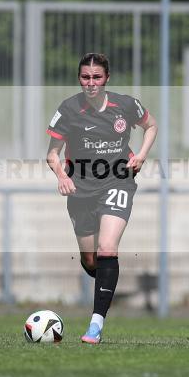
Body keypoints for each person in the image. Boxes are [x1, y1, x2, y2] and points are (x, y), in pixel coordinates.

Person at [46, 53, 157, 345]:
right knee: (91, 260)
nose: (91, 83)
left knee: (108, 248)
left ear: (107, 78)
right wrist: (62, 176)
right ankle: (105, 283)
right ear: (79, 78)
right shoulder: (68, 109)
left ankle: (96, 324)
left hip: (118, 180)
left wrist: (142, 155)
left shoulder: (126, 105)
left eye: (97, 77)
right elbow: (52, 154)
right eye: (86, 77)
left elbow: (151, 126)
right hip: (80, 189)